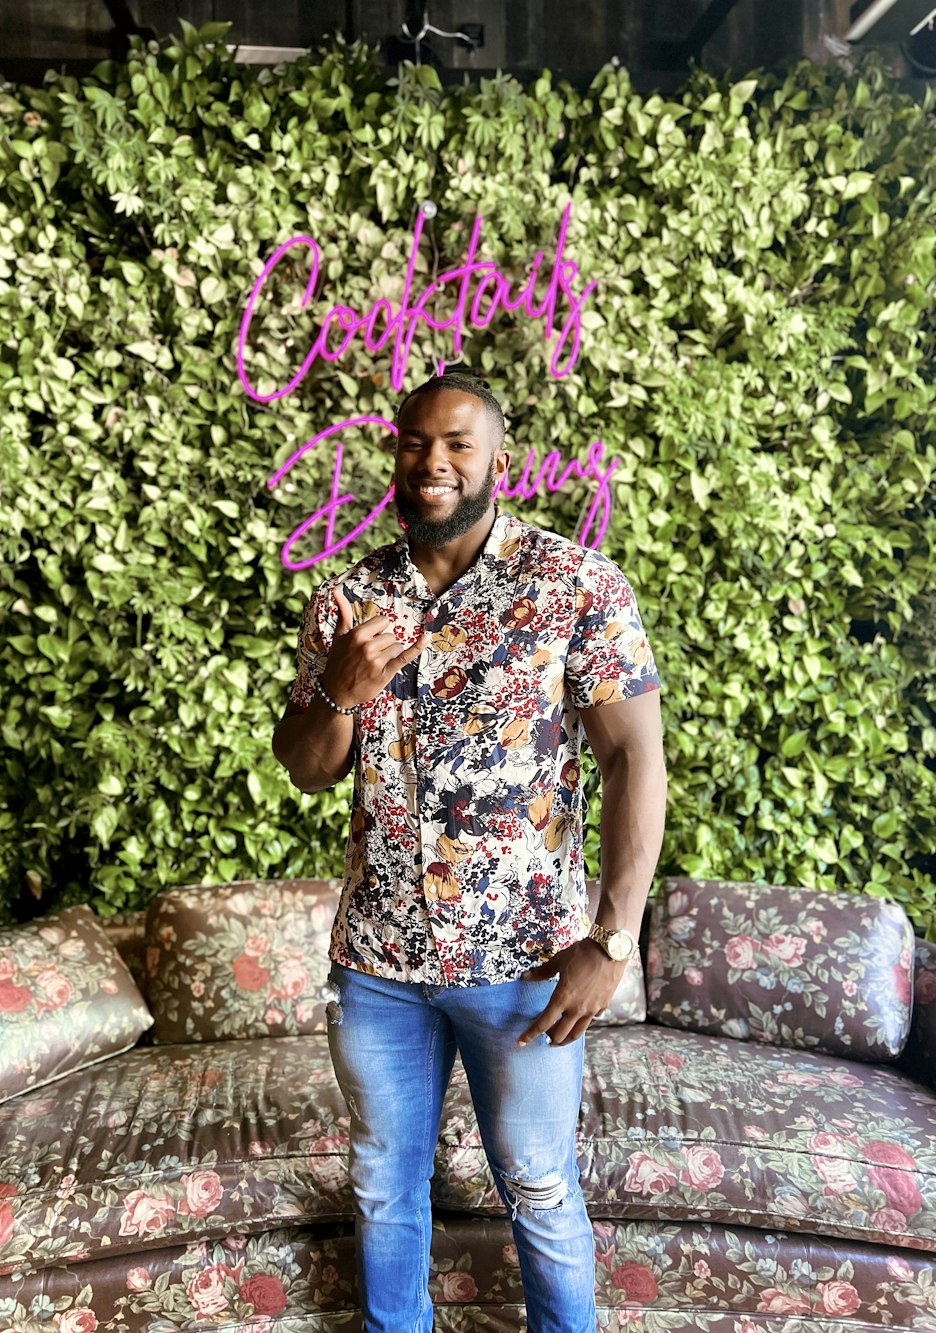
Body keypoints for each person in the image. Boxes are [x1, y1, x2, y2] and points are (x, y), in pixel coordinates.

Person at [273, 373, 666, 1333]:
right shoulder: (349, 601)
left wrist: (611, 942)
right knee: (383, 1192)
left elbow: (635, 757)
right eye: (415, 443)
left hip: (526, 964)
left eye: (456, 444)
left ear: (500, 458)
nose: (433, 462)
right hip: (379, 966)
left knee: (537, 1187)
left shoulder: (574, 585)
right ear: (395, 456)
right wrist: (339, 686)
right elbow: (307, 766)